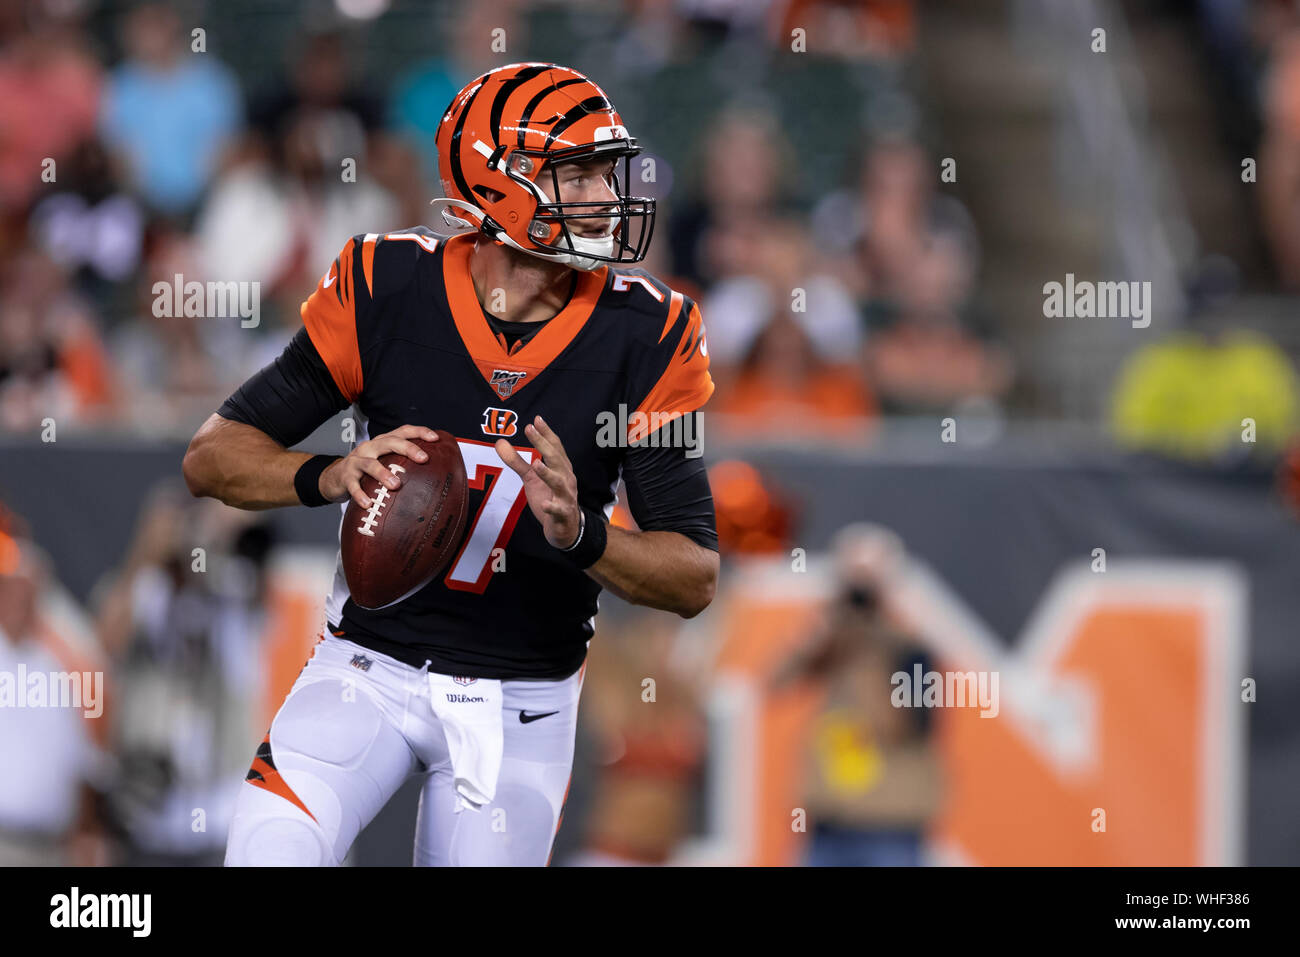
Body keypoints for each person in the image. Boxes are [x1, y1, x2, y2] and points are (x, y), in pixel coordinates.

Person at [182, 62, 719, 867]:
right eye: (576, 176)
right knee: (268, 852)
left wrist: (584, 536)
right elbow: (211, 456)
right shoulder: (386, 287)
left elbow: (693, 575)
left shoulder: (648, 333)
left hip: (520, 705)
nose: (607, 197)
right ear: (499, 184)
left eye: (607, 174)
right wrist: (329, 473)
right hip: (366, 664)